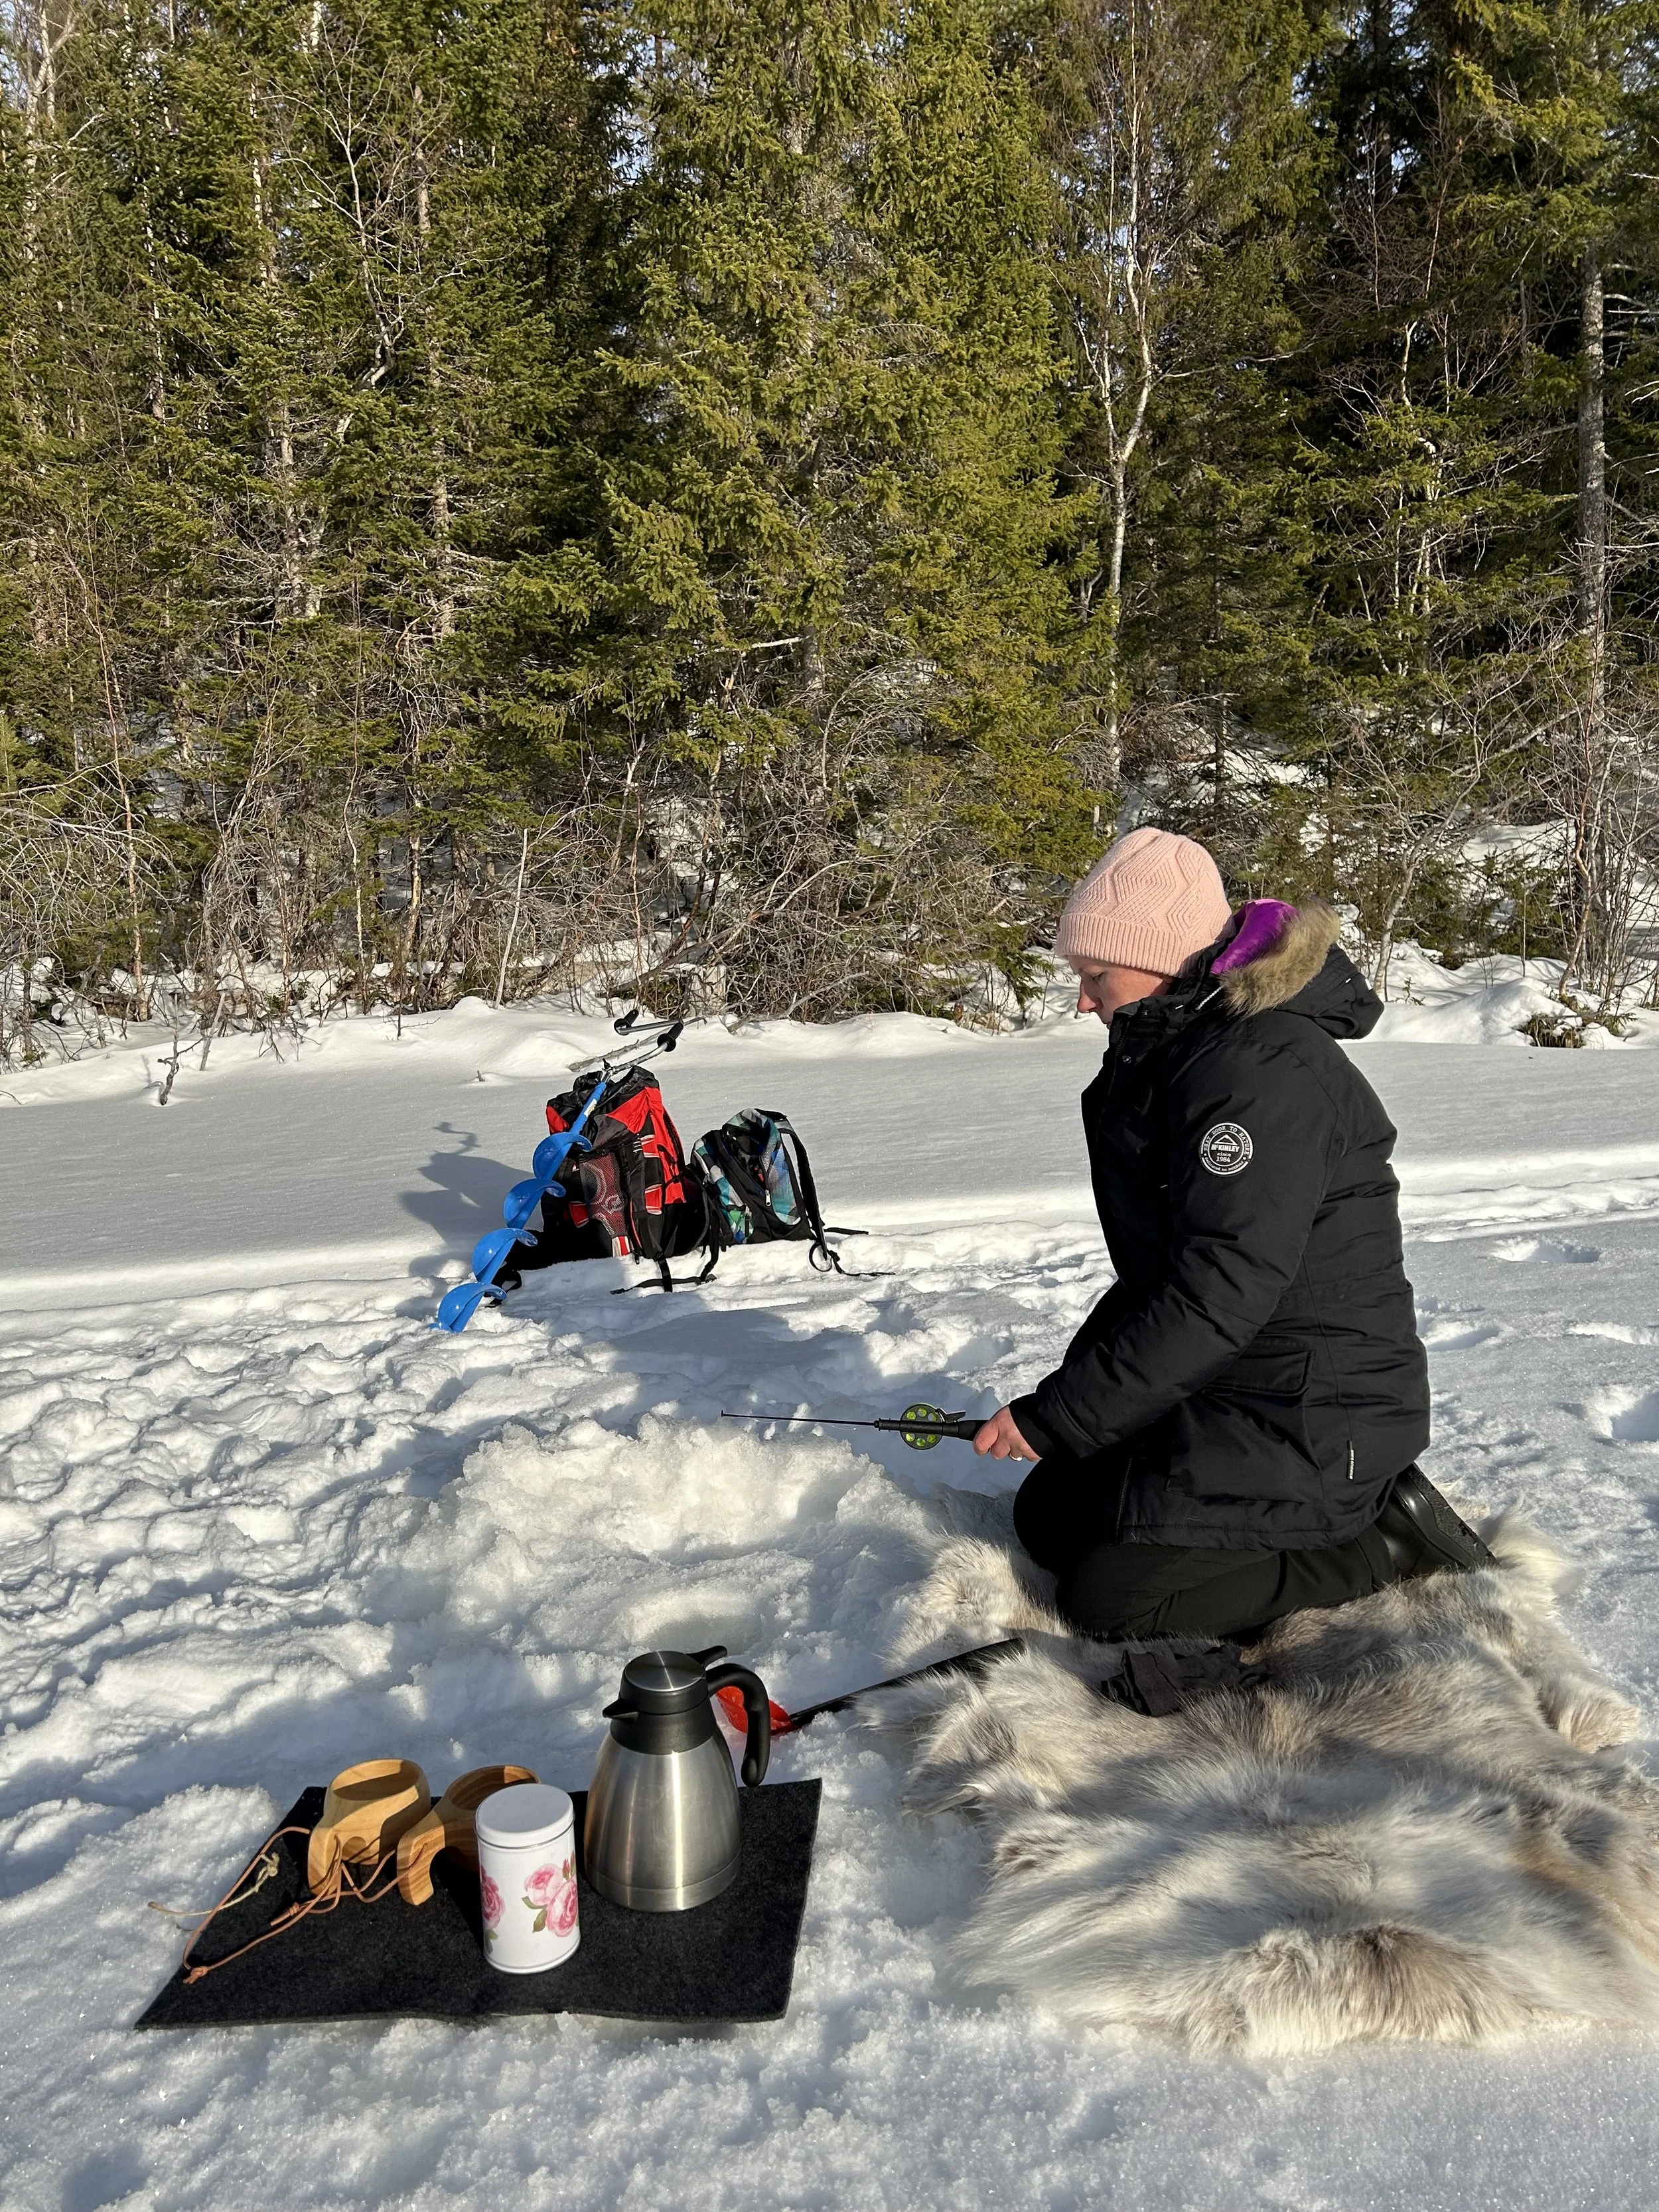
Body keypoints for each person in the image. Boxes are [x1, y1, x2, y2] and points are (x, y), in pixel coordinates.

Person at [973, 826, 1492, 1642]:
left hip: (1313, 1404)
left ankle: (1385, 1538)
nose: (1082, 1000)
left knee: (1112, 1604)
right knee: (1049, 1514)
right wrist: (1065, 1410)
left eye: (1094, 975)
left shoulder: (1257, 1073)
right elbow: (1160, 1276)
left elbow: (1218, 1290)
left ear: (1161, 956)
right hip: (1234, 1381)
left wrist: (1064, 1415)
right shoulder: (1174, 1052)